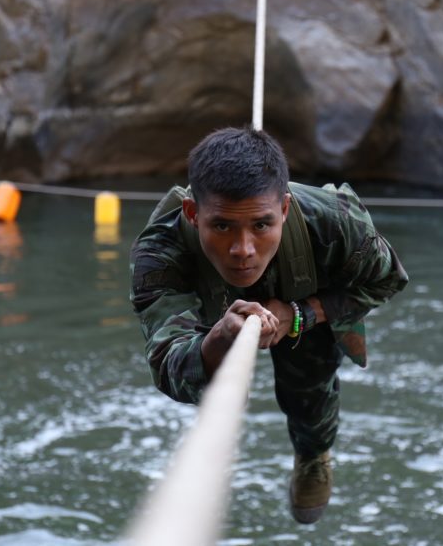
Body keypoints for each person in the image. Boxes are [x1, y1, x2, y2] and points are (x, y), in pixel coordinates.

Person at [130, 126, 408, 524]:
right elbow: (168, 364)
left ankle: (313, 456)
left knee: (310, 390)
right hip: (211, 317)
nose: (243, 250)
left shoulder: (333, 221)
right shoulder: (161, 252)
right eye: (222, 226)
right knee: (215, 382)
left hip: (307, 300)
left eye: (261, 225)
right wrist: (220, 339)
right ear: (193, 215)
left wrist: (301, 314)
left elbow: (388, 279)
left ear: (285, 210)